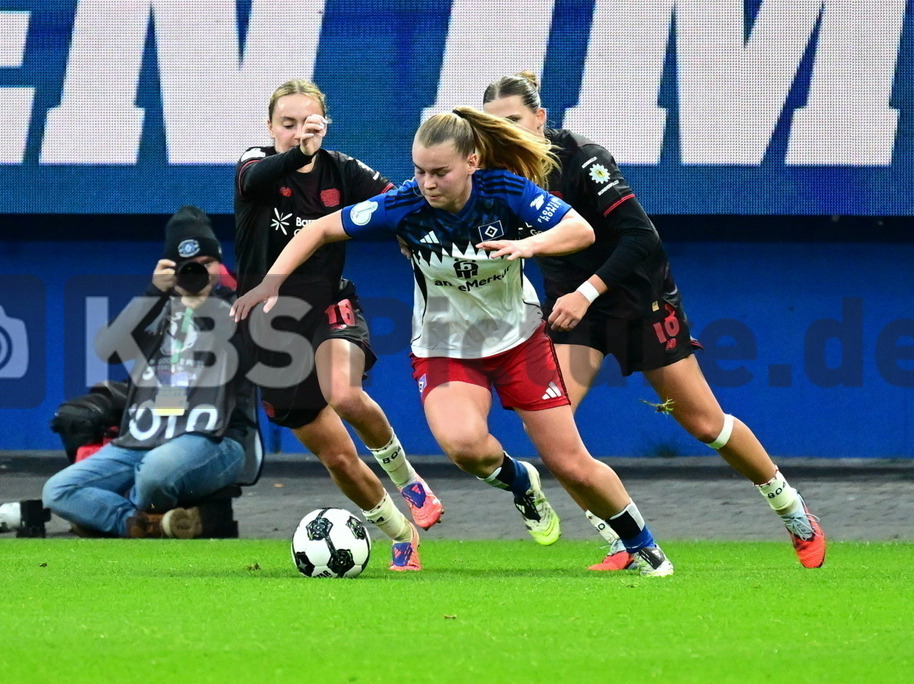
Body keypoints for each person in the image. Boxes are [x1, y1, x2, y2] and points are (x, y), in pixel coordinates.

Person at [233, 106, 675, 577]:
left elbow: (581, 230)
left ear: (472, 161)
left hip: (520, 342)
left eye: (440, 172)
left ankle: (643, 544)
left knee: (570, 464)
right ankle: (519, 479)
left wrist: (528, 245)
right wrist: (271, 282)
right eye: (420, 171)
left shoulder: (506, 192)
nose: (428, 183)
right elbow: (321, 228)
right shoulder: (403, 205)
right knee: (465, 447)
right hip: (445, 350)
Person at [482, 72, 826, 570]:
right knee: (550, 432)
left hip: (637, 302)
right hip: (573, 313)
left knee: (705, 423)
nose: (506, 134)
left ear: (540, 118)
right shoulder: (499, 176)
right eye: (495, 128)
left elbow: (642, 239)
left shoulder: (585, 160)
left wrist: (586, 290)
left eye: (514, 121)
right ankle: (623, 538)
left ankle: (793, 512)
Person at [232, 79, 441, 571]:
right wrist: (298, 151)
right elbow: (256, 179)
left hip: (329, 305)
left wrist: (407, 232)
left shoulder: (341, 168)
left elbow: (402, 198)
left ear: (324, 125)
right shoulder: (253, 164)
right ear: (270, 127)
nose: (297, 132)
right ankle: (400, 532)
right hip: (271, 331)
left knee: (344, 394)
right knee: (340, 459)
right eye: (287, 124)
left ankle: (409, 479)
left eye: (309, 123)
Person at [43, 206, 254, 539]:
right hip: (143, 438)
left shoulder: (239, 307)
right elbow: (108, 349)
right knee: (58, 490)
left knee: (154, 473)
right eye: (187, 268)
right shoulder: (155, 308)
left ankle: (119, 517)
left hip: (216, 441)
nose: (196, 273)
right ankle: (144, 524)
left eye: (206, 264)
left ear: (219, 265)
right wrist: (154, 293)